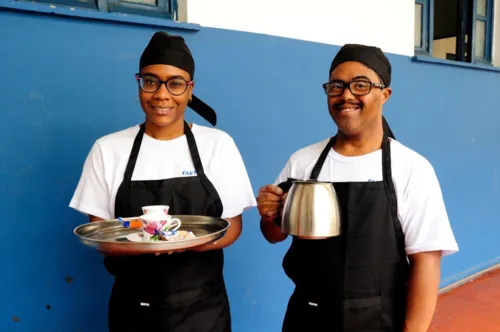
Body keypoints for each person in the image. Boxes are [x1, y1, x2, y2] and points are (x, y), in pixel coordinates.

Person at [256, 44, 459, 331]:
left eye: (360, 85)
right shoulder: (303, 161)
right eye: (336, 86)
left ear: (384, 94)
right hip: (307, 317)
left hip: (379, 321)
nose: (346, 95)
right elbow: (273, 235)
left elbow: (426, 263)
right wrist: (269, 214)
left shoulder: (411, 168)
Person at [70, 31, 256, 331]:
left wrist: (185, 243)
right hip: (133, 308)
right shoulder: (108, 149)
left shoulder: (217, 145)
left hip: (203, 310)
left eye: (175, 83)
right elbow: (102, 233)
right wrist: (146, 242)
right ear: (139, 84)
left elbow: (232, 228)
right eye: (150, 81)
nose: (161, 94)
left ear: (190, 89)